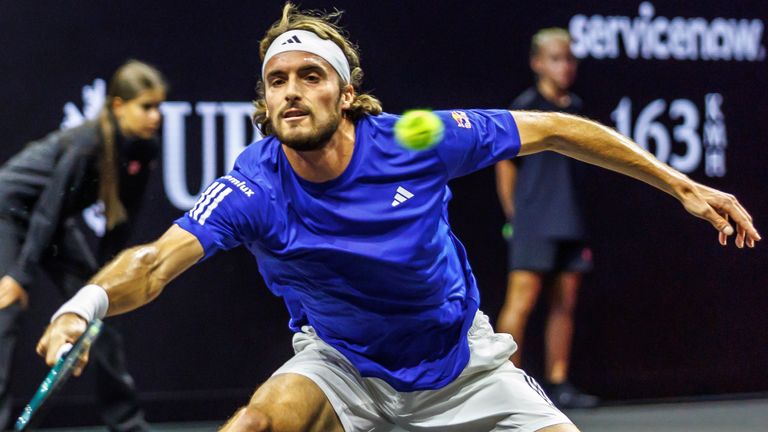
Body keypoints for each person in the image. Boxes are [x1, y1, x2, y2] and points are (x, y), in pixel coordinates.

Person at [36, 4, 759, 432]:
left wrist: (681, 186)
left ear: (345, 94)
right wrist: (83, 306)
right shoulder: (254, 184)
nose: (291, 92)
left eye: (310, 77)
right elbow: (156, 261)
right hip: (342, 364)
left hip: (461, 365)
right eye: (277, 81)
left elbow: (556, 129)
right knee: (256, 422)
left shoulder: (413, 139)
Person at [0, 60, 166, 431]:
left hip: (53, 224)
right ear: (119, 106)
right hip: (8, 213)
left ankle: (127, 424)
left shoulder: (144, 149)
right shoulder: (85, 144)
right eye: (146, 106)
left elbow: (120, 226)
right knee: (5, 313)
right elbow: (47, 211)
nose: (155, 115)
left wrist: (106, 279)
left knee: (97, 310)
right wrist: (19, 277)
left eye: (159, 106)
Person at [494, 28, 597, 409]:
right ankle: (506, 387)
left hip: (570, 219)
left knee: (564, 303)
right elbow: (504, 164)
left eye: (569, 58)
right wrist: (515, 214)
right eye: (556, 58)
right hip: (533, 221)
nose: (565, 66)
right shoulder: (525, 108)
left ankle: (559, 382)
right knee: (520, 302)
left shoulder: (577, 107)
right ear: (537, 63)